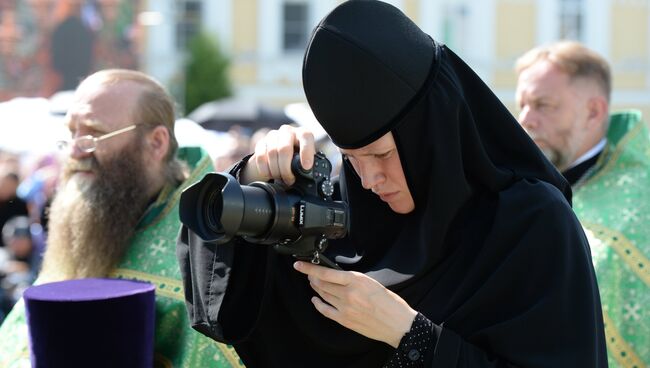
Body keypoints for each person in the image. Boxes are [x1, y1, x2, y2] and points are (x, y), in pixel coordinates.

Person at [177, 1, 607, 367]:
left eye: (382, 155)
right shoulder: (345, 214)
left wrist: (410, 334)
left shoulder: (534, 225)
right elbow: (226, 305)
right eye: (353, 159)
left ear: (433, 136)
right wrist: (252, 177)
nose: (369, 179)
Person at [0, 69, 242, 367]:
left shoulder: (207, 257)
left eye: (93, 133)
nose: (75, 150)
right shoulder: (93, 223)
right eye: (71, 132)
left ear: (156, 143)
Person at [515, 41, 649, 367]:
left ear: (593, 111)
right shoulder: (517, 188)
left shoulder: (641, 199)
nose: (525, 120)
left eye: (543, 105)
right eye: (522, 105)